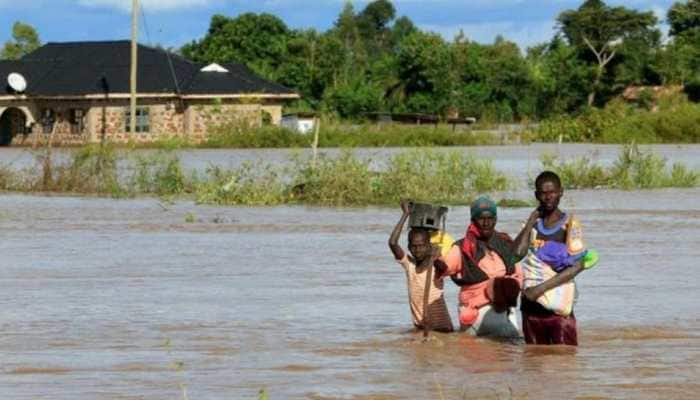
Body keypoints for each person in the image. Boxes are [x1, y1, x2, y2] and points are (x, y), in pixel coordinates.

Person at [512, 171, 588, 346]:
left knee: (562, 365)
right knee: (533, 363)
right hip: (531, 309)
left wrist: (539, 290)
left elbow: (577, 266)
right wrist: (531, 222)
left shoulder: (569, 226)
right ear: (536, 195)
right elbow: (516, 254)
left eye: (552, 192)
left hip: (558, 311)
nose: (548, 197)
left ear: (561, 192)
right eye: (543, 193)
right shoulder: (531, 225)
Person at [435, 196, 522, 338]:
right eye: (481, 219)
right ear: (473, 221)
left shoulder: (505, 243)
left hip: (504, 311)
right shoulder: (461, 248)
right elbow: (446, 268)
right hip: (474, 313)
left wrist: (505, 290)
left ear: (495, 220)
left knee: (509, 352)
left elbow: (518, 275)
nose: (486, 223)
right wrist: (439, 263)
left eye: (490, 218)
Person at [389, 200, 454, 333]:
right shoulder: (410, 265)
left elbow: (445, 268)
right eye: (414, 246)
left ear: (428, 246)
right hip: (421, 326)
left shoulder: (436, 266)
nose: (418, 250)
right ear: (409, 247)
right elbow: (392, 243)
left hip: (439, 327)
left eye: (422, 246)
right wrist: (405, 215)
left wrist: (436, 257)